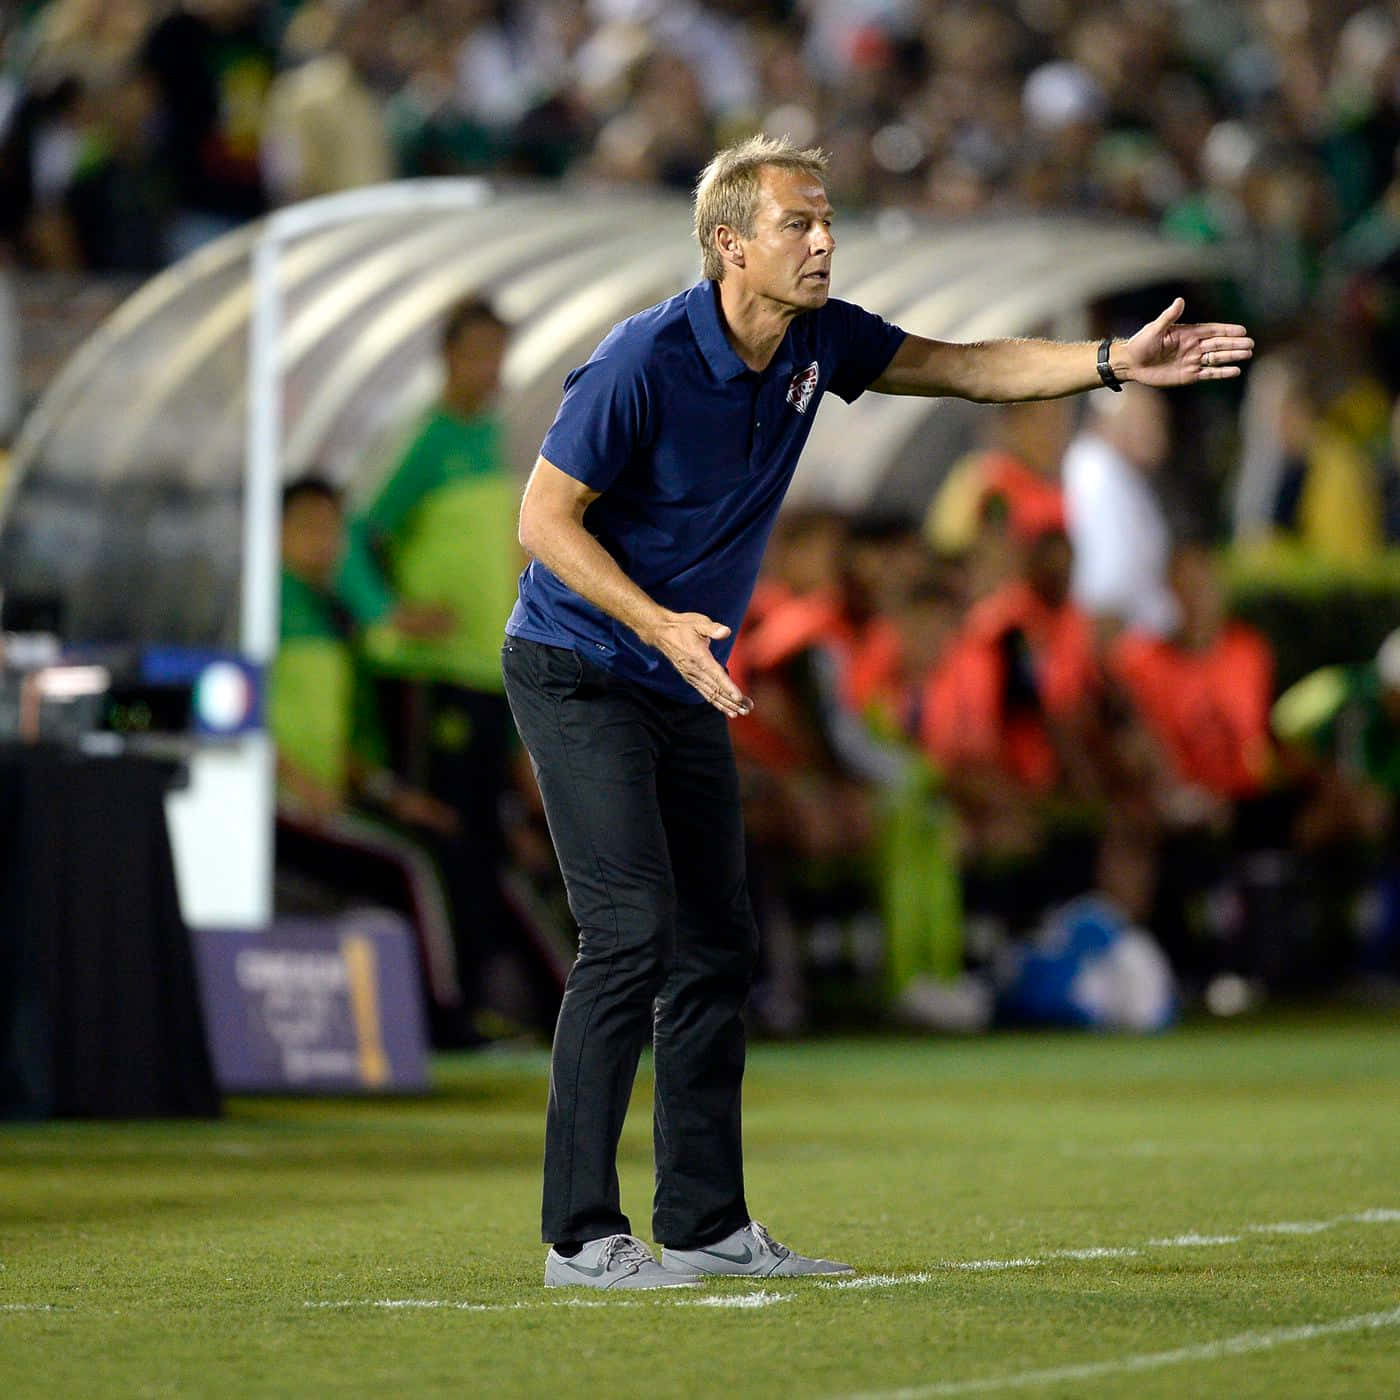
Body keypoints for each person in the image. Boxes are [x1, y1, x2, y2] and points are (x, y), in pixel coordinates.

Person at [501, 133, 1252, 1290]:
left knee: (713, 943)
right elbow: (544, 520)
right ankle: (579, 1237)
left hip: (682, 670)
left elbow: (966, 367)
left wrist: (1107, 361)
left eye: (826, 218)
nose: (821, 238)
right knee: (630, 931)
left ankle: (702, 1223)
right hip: (578, 662)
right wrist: (655, 621)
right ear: (727, 244)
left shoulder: (821, 340)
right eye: (797, 222)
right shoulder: (639, 359)